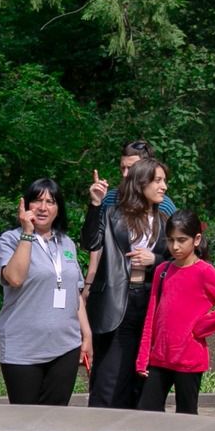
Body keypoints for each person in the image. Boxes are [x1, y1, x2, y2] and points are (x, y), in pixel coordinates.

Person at [134, 211, 215, 414]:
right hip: (160, 357)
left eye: (181, 240)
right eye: (170, 240)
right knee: (146, 412)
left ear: (197, 239)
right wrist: (143, 357)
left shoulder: (204, 272)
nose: (175, 246)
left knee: (186, 417)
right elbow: (151, 315)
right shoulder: (162, 270)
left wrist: (202, 326)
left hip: (189, 359)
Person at [0, 178, 93, 406]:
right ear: (26, 205)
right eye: (37, 201)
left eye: (50, 202)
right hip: (23, 347)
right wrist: (27, 234)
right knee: (26, 420)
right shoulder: (10, 239)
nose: (43, 207)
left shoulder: (66, 243)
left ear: (58, 209)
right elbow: (15, 278)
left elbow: (74, 292)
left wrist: (87, 335)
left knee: (55, 417)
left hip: (65, 346)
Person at [84, 159, 171, 410]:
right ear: (140, 183)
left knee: (142, 376)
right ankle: (102, 430)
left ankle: (136, 430)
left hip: (150, 302)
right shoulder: (112, 214)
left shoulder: (166, 220)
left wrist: (155, 260)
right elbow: (90, 242)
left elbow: (176, 262)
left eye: (165, 181)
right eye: (157, 180)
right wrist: (95, 205)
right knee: (109, 377)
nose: (164, 187)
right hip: (116, 300)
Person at [86, 139, 178, 218]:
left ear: (148, 169)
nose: (125, 174)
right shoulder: (109, 199)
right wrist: (96, 203)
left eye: (131, 168)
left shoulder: (164, 206)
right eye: (123, 168)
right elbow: (92, 233)